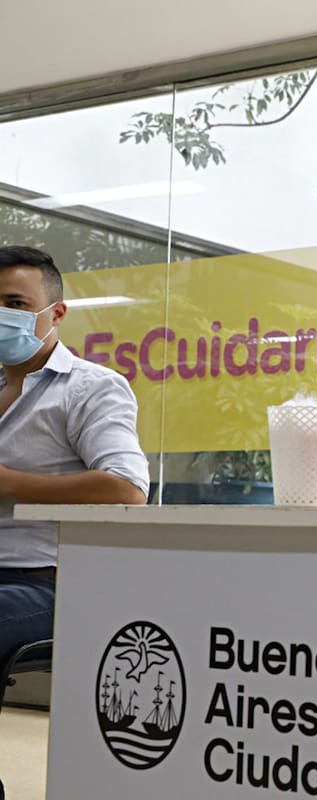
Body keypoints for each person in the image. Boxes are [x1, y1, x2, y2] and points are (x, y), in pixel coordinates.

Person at [0, 244, 149, 676]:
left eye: (15, 304)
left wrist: (8, 481)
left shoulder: (89, 389)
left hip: (46, 583)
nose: (2, 313)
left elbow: (127, 488)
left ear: (57, 313)